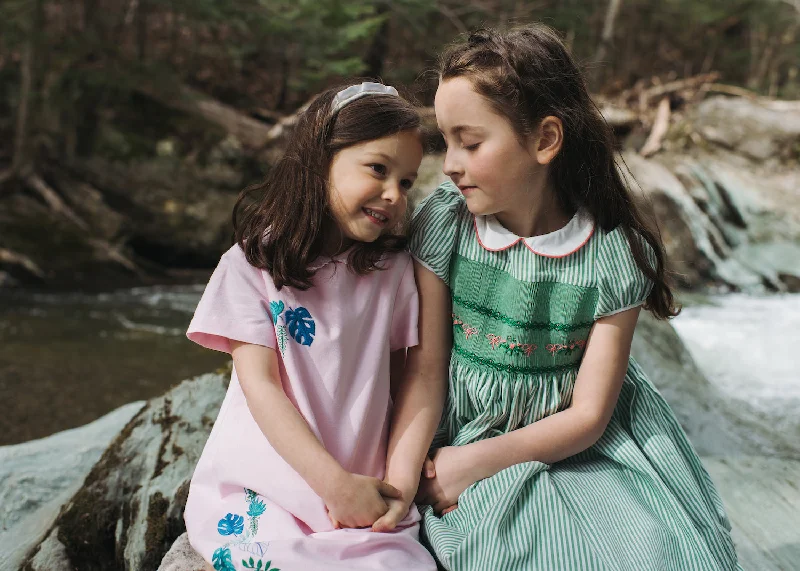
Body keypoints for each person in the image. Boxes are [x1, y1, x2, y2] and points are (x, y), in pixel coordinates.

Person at [375, 25, 742, 570]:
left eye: (470, 143)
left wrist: (476, 463)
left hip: (577, 440)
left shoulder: (613, 255)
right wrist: (406, 480)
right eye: (445, 142)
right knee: (504, 548)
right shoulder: (446, 224)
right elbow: (427, 370)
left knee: (654, 549)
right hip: (462, 428)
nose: (449, 163)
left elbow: (590, 414)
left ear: (545, 140)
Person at [183, 80, 437, 571]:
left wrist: (399, 489)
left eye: (406, 182)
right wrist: (332, 485)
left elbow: (415, 381)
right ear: (322, 159)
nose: (393, 194)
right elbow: (261, 386)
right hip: (268, 483)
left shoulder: (394, 272)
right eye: (378, 169)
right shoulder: (251, 265)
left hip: (366, 486)